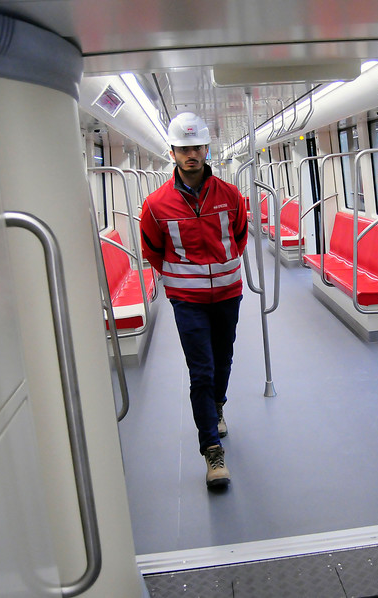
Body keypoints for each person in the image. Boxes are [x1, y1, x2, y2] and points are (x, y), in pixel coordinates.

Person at [140, 112, 248, 489]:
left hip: (228, 293)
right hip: (187, 299)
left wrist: (222, 269)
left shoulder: (231, 195)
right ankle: (211, 449)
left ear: (207, 149)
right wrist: (181, 280)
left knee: (223, 359)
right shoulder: (155, 205)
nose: (191, 154)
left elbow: (239, 236)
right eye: (183, 148)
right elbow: (154, 250)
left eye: (197, 147)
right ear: (172, 152)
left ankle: (217, 405)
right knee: (200, 370)